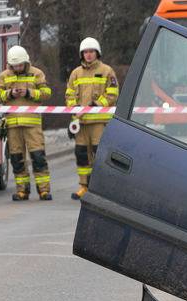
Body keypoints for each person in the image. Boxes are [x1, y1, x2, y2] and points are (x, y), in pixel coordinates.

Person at [0, 46, 52, 201]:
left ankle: (44, 190)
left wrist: (29, 93)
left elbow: (46, 93)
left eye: (20, 65)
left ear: (26, 62)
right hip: (13, 124)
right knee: (17, 158)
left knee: (38, 157)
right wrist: (9, 93)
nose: (17, 68)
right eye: (14, 66)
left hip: (32, 124)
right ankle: (22, 191)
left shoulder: (36, 73)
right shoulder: (5, 76)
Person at [66, 37, 118, 200]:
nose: (88, 55)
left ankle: (101, 187)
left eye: (91, 52)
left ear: (97, 53)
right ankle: (84, 187)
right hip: (81, 123)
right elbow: (69, 94)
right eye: (86, 52)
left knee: (99, 155)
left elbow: (113, 93)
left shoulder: (107, 71)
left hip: (99, 121)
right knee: (82, 155)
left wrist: (96, 104)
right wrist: (74, 109)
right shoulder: (76, 73)